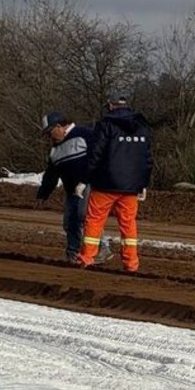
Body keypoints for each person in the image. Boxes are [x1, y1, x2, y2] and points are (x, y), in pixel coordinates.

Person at [78, 97, 153, 273]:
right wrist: (143, 183)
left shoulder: (105, 125)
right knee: (128, 224)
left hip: (105, 184)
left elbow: (95, 154)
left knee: (94, 221)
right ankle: (131, 263)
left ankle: (87, 258)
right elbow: (147, 159)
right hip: (131, 187)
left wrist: (84, 179)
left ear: (110, 106)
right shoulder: (142, 127)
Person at [36, 111, 110, 264]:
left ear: (59, 127)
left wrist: (90, 179)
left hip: (89, 183)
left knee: (84, 216)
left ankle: (102, 247)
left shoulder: (84, 134)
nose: (50, 137)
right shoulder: (55, 150)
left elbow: (99, 156)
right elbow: (51, 174)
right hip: (71, 190)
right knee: (69, 222)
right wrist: (43, 194)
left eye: (50, 133)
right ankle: (73, 253)